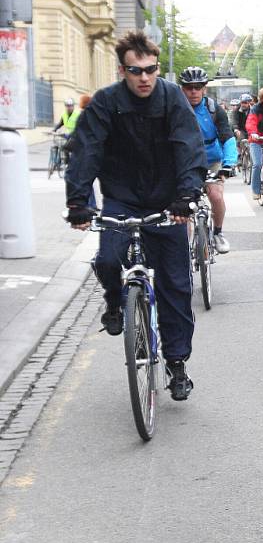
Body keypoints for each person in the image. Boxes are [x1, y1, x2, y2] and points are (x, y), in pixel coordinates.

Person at [64, 30, 205, 401]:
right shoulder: (106, 102)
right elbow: (86, 151)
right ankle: (114, 300)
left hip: (167, 202)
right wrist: (78, 202)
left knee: (175, 284)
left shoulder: (172, 98)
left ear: (157, 68)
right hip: (122, 199)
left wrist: (187, 196)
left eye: (150, 70)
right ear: (122, 70)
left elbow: (188, 148)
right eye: (134, 70)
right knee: (109, 259)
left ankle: (177, 364)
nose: (143, 77)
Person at [179, 66, 236, 254]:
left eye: (198, 87)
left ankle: (218, 233)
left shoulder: (214, 109)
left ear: (204, 88)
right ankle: (184, 246)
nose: (194, 91)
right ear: (182, 89)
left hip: (211, 160)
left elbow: (227, 136)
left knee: (216, 196)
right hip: (185, 162)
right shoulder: (175, 109)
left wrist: (228, 164)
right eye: (189, 87)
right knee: (184, 204)